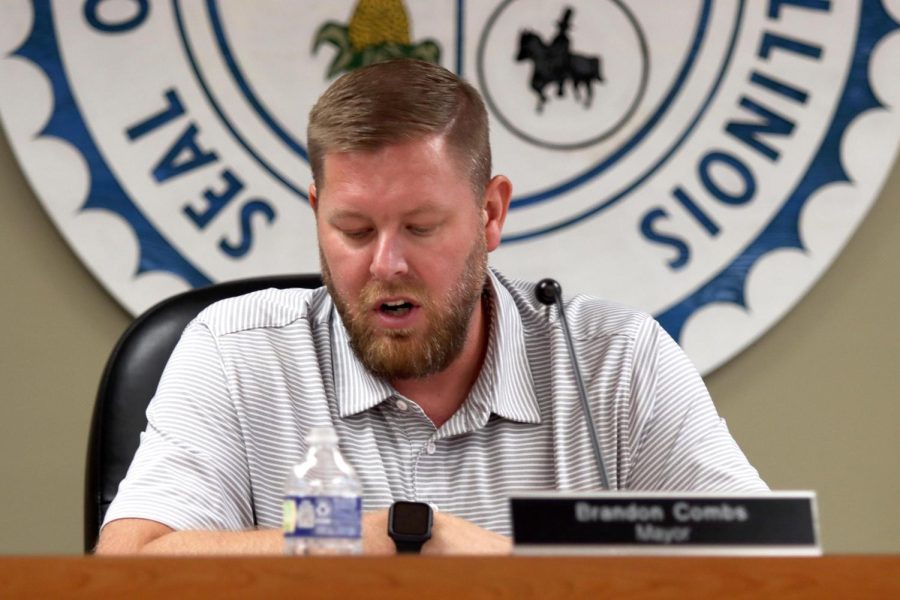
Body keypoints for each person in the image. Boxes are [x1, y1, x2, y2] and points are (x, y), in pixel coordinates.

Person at [97, 59, 765, 555]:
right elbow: (128, 569)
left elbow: (763, 570)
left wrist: (501, 567)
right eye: (354, 230)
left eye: (420, 227)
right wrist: (377, 536)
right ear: (316, 213)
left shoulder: (615, 363)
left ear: (490, 213)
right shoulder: (237, 351)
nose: (387, 264)